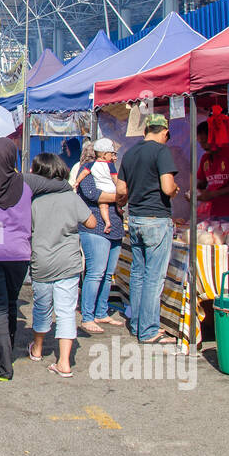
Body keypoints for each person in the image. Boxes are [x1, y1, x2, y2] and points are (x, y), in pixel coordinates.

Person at [0, 138, 72, 381]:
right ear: (13, 158)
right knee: (10, 302)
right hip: (18, 254)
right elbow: (62, 186)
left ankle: (3, 365)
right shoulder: (27, 182)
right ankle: (8, 349)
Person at [26, 153, 96, 378]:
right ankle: (64, 362)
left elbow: (26, 229)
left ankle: (37, 349)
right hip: (68, 262)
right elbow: (92, 221)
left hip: (42, 262)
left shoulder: (33, 200)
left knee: (41, 307)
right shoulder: (71, 197)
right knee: (66, 311)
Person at [118, 115, 179, 345]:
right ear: (164, 131)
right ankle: (149, 330)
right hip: (156, 219)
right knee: (154, 277)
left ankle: (136, 325)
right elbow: (167, 186)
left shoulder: (130, 153)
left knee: (138, 274)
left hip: (134, 219)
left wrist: (125, 203)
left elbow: (121, 190)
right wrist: (174, 191)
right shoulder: (161, 151)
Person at [76, 138, 128, 333]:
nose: (113, 156)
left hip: (115, 225)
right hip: (94, 227)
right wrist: (120, 196)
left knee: (107, 274)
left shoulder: (112, 168)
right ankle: (88, 316)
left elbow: (118, 189)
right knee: (96, 272)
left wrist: (120, 196)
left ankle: (101, 312)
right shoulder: (88, 169)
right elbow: (92, 194)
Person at [194, 121, 229, 219]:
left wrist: (215, 193)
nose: (203, 147)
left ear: (215, 138)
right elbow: (202, 184)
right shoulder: (205, 158)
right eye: (200, 143)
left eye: (205, 142)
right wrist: (194, 193)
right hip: (212, 213)